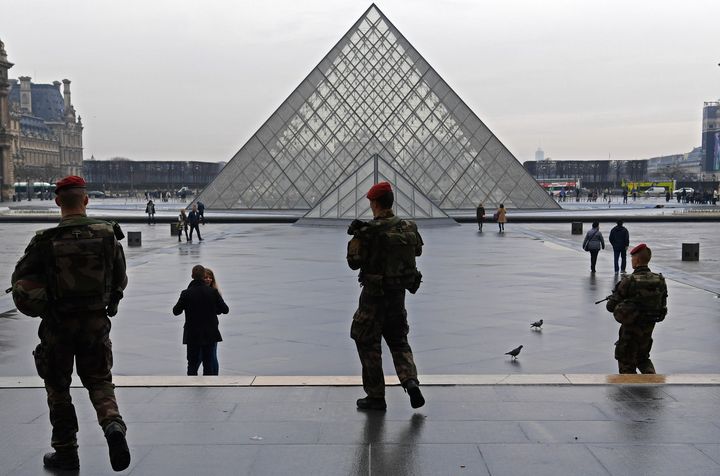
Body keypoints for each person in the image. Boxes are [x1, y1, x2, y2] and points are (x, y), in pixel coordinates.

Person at [10, 176, 130, 472]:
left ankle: (66, 452)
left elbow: (19, 281)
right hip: (95, 323)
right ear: (86, 200)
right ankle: (113, 425)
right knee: (100, 381)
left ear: (57, 201)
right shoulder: (107, 235)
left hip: (58, 325)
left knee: (58, 388)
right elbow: (121, 279)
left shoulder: (44, 240)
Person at [346, 181, 425, 411]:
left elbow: (353, 263)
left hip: (373, 298)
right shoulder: (409, 227)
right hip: (398, 297)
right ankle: (410, 381)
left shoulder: (367, 231)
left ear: (375, 203)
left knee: (367, 342)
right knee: (399, 341)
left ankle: (376, 396)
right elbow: (417, 250)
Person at [605, 243, 667, 374]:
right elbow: (662, 304)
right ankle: (652, 381)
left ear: (637, 260)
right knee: (643, 358)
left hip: (630, 330)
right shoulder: (660, 280)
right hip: (648, 328)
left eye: (632, 258)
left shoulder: (629, 281)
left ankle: (629, 390)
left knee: (626, 361)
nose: (631, 260)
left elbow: (610, 307)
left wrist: (615, 298)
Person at [173, 265, 229, 375]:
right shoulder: (213, 292)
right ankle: (209, 384)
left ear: (192, 276)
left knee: (192, 363)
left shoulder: (186, 293)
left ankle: (191, 384)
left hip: (192, 333)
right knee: (208, 361)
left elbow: (176, 311)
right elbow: (225, 309)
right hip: (210, 332)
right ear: (203, 276)